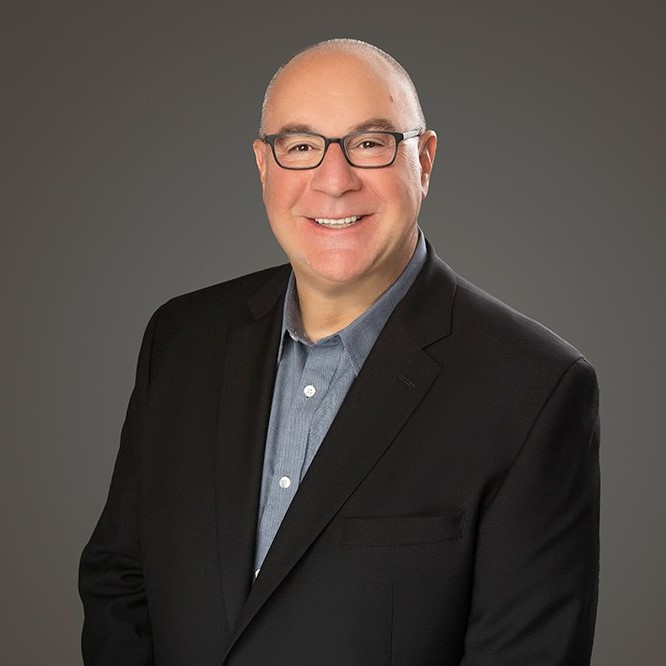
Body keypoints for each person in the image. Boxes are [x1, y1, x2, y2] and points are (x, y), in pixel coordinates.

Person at [79, 38, 600, 665]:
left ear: (424, 160)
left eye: (370, 144)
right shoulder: (182, 339)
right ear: (263, 165)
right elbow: (120, 582)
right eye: (301, 147)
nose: (334, 181)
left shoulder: (533, 389)